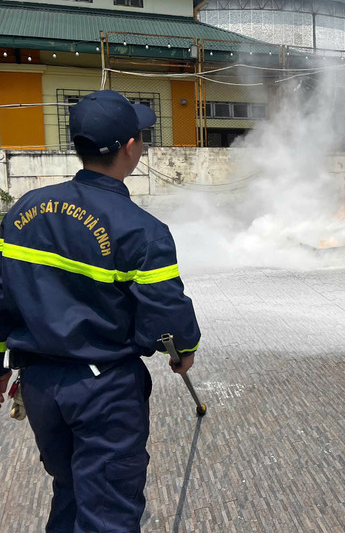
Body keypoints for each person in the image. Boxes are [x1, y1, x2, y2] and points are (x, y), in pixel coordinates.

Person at [0, 90, 201, 531]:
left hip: (40, 386)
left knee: (70, 488)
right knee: (107, 511)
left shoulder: (23, 212)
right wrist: (183, 350)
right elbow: (165, 314)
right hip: (104, 392)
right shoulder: (141, 230)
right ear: (130, 147)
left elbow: (3, 296)